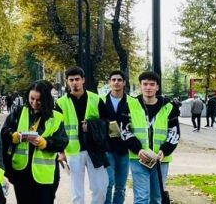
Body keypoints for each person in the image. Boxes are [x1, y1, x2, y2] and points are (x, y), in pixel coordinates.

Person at [2, 81, 67, 203]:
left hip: (44, 175)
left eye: (39, 100)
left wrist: (45, 143)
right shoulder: (19, 112)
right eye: (32, 98)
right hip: (21, 172)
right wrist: (15, 136)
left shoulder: (56, 117)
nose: (34, 103)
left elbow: (62, 142)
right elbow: (5, 132)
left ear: (46, 99)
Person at [120, 71, 180, 204]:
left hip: (161, 159)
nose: (148, 87)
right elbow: (124, 130)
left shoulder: (169, 107)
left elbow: (174, 133)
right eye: (145, 84)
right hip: (138, 158)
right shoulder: (130, 105)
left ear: (157, 87)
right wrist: (138, 149)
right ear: (140, 86)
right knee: (141, 197)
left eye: (152, 84)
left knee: (156, 197)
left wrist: (164, 151)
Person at [55, 66, 109, 204]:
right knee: (76, 193)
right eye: (71, 80)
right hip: (72, 151)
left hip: (94, 150)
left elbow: (107, 123)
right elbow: (56, 129)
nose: (74, 83)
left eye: (77, 79)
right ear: (67, 82)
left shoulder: (96, 99)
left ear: (83, 80)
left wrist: (91, 125)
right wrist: (60, 152)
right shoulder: (61, 103)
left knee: (100, 188)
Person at [102, 71, 130, 204]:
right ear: (110, 82)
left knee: (121, 185)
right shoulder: (101, 100)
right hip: (107, 148)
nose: (116, 82)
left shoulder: (132, 102)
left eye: (119, 80)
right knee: (108, 182)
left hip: (125, 149)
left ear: (124, 83)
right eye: (113, 80)